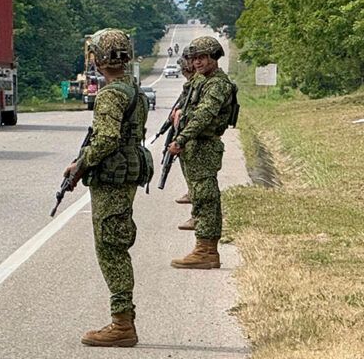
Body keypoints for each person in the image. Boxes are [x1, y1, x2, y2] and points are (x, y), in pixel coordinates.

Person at [63, 28, 151, 347]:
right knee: (116, 240)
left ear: (98, 60)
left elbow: (106, 138)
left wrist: (80, 163)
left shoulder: (111, 94)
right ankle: (122, 320)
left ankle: (122, 323)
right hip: (126, 172)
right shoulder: (135, 91)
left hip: (113, 176)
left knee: (110, 247)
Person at [166, 36, 236, 269]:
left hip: (204, 145)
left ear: (214, 57)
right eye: (194, 58)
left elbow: (204, 115)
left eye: (202, 58)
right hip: (194, 146)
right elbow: (188, 104)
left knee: (206, 198)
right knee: (199, 195)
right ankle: (203, 248)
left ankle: (206, 251)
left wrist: (181, 138)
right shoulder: (201, 80)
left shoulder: (217, 84)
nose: (197, 62)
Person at [174, 55, 196, 212]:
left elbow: (200, 115)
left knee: (201, 184)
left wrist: (180, 140)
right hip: (189, 135)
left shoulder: (201, 85)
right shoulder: (191, 85)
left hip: (196, 137)